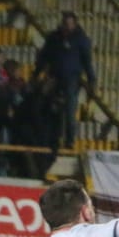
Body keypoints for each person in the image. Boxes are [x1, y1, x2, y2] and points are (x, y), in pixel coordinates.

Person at [34, 11, 96, 154]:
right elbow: (44, 57)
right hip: (54, 78)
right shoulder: (54, 38)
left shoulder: (81, 40)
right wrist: (37, 74)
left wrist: (92, 81)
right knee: (47, 108)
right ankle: (49, 138)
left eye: (69, 24)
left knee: (69, 110)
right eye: (64, 23)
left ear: (74, 24)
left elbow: (87, 62)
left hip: (71, 79)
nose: (66, 27)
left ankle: (69, 140)